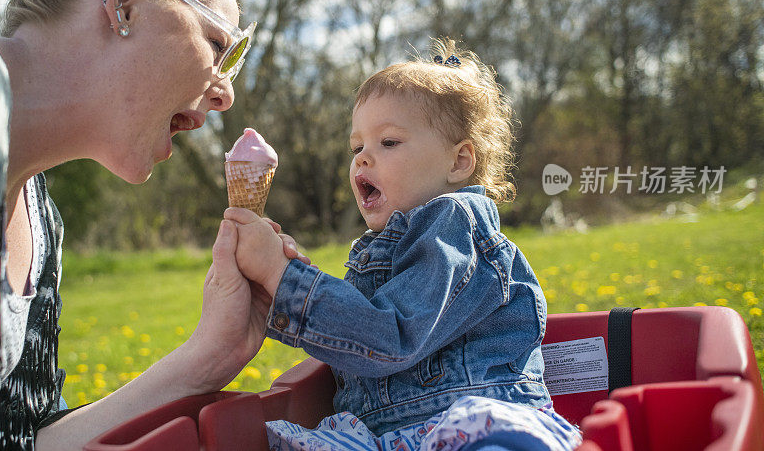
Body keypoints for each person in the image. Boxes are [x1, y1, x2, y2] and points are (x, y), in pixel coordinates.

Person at [0, 0, 309, 448]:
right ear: (126, 2)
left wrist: (207, 357)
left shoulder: (42, 224)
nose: (225, 94)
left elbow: (21, 441)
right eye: (220, 47)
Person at [225, 39, 583, 450]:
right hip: (390, 435)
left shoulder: (453, 224)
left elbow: (390, 336)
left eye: (388, 142)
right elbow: (355, 338)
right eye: (357, 147)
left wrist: (285, 278)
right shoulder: (376, 249)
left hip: (468, 423)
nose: (362, 158)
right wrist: (274, 287)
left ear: (458, 162)